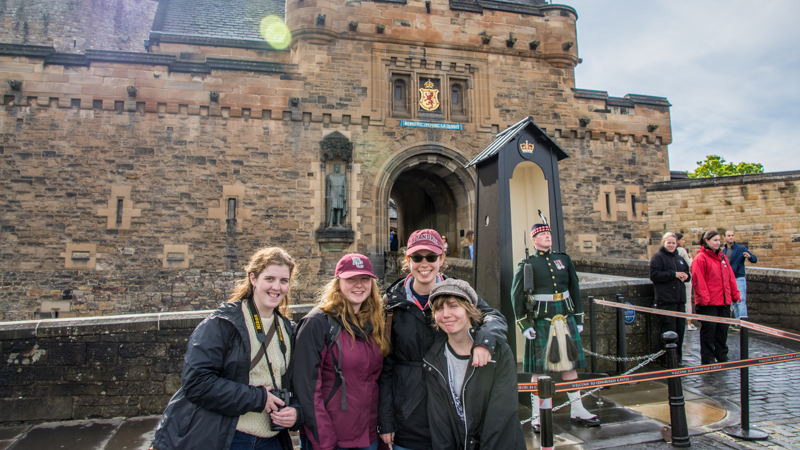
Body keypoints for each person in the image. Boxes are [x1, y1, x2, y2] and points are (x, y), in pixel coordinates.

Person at [152, 247, 300, 450]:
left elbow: (298, 385)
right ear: (253, 279)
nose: (277, 287)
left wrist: (296, 413)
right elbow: (196, 382)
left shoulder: (289, 330)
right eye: (270, 279)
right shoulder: (223, 323)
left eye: (284, 281)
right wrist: (256, 398)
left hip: (272, 440)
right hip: (228, 437)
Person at [378, 229, 507, 450]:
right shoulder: (391, 303)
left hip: (451, 409)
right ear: (408, 260)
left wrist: (483, 342)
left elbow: (493, 317)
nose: (424, 263)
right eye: (417, 257)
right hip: (408, 416)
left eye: (431, 257)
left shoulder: (459, 292)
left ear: (442, 259)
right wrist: (386, 419)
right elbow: (386, 367)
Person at [293, 254, 391, 450]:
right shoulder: (318, 323)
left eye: (364, 279)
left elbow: (376, 380)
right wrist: (326, 442)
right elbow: (307, 389)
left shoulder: (373, 323)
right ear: (338, 282)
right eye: (351, 279)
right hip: (331, 440)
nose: (359, 285)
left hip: (368, 436)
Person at [511, 223, 599, 432]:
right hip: (542, 320)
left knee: (570, 366)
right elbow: (516, 296)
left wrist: (578, 319)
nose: (547, 236)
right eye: (542, 234)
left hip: (565, 317)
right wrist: (523, 324)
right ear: (534, 240)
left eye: (549, 233)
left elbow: (574, 289)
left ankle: (577, 409)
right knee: (540, 371)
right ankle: (539, 415)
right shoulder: (527, 263)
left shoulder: (564, 260)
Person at [423, 279, 526, 449]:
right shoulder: (433, 361)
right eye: (439, 308)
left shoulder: (498, 352)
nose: (446, 314)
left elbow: (500, 418)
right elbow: (439, 424)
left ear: (470, 309)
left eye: (454, 306)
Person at [692, 230, 741, 365]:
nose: (718, 243)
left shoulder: (722, 257)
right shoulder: (701, 258)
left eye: (719, 240)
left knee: (722, 331)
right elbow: (698, 280)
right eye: (715, 240)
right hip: (709, 303)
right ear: (707, 241)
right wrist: (704, 300)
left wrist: (735, 295)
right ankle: (708, 358)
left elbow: (730, 277)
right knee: (709, 331)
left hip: (723, 301)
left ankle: (721, 355)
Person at [649, 232, 691, 365]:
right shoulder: (658, 257)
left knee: (680, 331)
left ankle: (677, 359)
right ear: (663, 243)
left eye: (674, 243)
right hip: (666, 301)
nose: (671, 245)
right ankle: (667, 359)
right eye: (669, 243)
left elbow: (687, 273)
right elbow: (654, 275)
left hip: (679, 300)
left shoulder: (679, 258)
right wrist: (673, 274)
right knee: (669, 331)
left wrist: (686, 276)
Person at [723, 230, 757, 331]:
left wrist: (749, 257)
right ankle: (737, 322)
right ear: (724, 237)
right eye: (729, 236)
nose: (731, 237)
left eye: (732, 235)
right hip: (728, 278)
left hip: (738, 277)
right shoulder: (723, 251)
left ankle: (743, 323)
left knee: (741, 300)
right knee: (734, 301)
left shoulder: (740, 248)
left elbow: (754, 259)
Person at [675, 233, 696, 331]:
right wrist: (690, 257)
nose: (684, 241)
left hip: (676, 279)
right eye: (682, 240)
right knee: (687, 300)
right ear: (678, 241)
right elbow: (690, 265)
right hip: (686, 278)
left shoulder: (672, 250)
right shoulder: (682, 250)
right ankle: (689, 323)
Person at [326, 163, 347, 227]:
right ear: (334, 168)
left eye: (338, 167)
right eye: (336, 167)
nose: (337, 169)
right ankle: (330, 222)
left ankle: (338, 223)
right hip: (333, 192)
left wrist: (345, 196)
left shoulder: (343, 177)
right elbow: (328, 186)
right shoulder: (330, 176)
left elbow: (345, 187)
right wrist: (327, 195)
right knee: (332, 208)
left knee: (339, 208)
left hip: (340, 193)